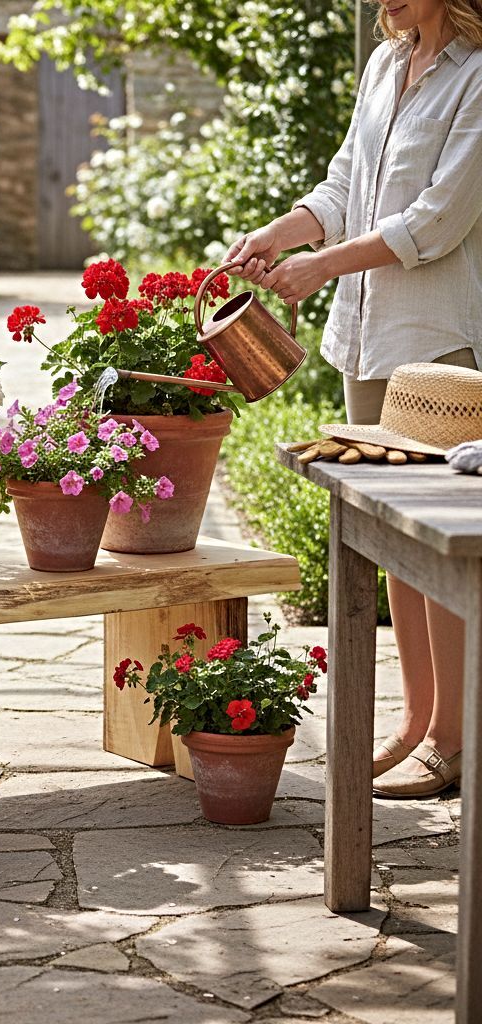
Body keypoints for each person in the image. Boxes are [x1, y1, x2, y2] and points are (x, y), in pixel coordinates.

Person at [227, 0, 482, 798]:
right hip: (367, 340)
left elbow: (437, 220)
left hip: (437, 344)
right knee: (389, 538)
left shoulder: (477, 78)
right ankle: (416, 723)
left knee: (440, 543)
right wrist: (283, 233)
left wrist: (322, 267)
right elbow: (345, 185)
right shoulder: (383, 64)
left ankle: (457, 739)